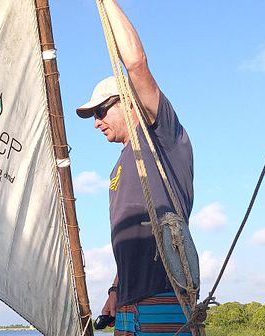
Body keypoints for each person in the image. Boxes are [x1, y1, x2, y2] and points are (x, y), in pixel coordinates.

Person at [76, 1, 196, 335]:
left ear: (129, 100)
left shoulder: (163, 138)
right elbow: (134, 234)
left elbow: (137, 64)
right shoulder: (122, 163)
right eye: (93, 116)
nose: (97, 122)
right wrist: (116, 290)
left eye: (101, 111)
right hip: (129, 303)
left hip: (164, 297)